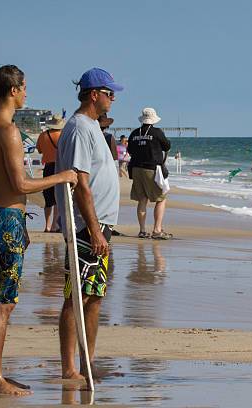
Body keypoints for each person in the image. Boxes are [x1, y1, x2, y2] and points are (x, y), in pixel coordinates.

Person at [0, 65, 77, 396]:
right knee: (2, 301)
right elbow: (21, 183)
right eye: (24, 88)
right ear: (13, 91)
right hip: (4, 216)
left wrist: (21, 221)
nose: (26, 94)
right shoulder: (8, 130)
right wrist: (61, 177)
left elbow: (3, 181)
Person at [55, 67, 122, 380]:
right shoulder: (80, 127)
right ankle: (70, 367)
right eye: (110, 93)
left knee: (94, 295)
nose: (113, 98)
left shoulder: (92, 125)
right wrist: (94, 229)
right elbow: (80, 182)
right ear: (94, 94)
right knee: (77, 296)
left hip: (100, 224)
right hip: (85, 226)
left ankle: (87, 363)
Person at [127, 107, 172, 239]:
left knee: (142, 199)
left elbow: (129, 149)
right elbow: (167, 146)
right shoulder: (157, 132)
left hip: (135, 168)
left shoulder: (134, 133)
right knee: (161, 198)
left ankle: (142, 230)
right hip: (151, 168)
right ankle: (157, 230)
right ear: (153, 120)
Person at [36, 114, 66, 232]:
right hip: (59, 167)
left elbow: (39, 150)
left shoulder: (43, 135)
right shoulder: (63, 135)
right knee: (57, 197)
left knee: (48, 198)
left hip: (47, 167)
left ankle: (47, 226)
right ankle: (55, 225)